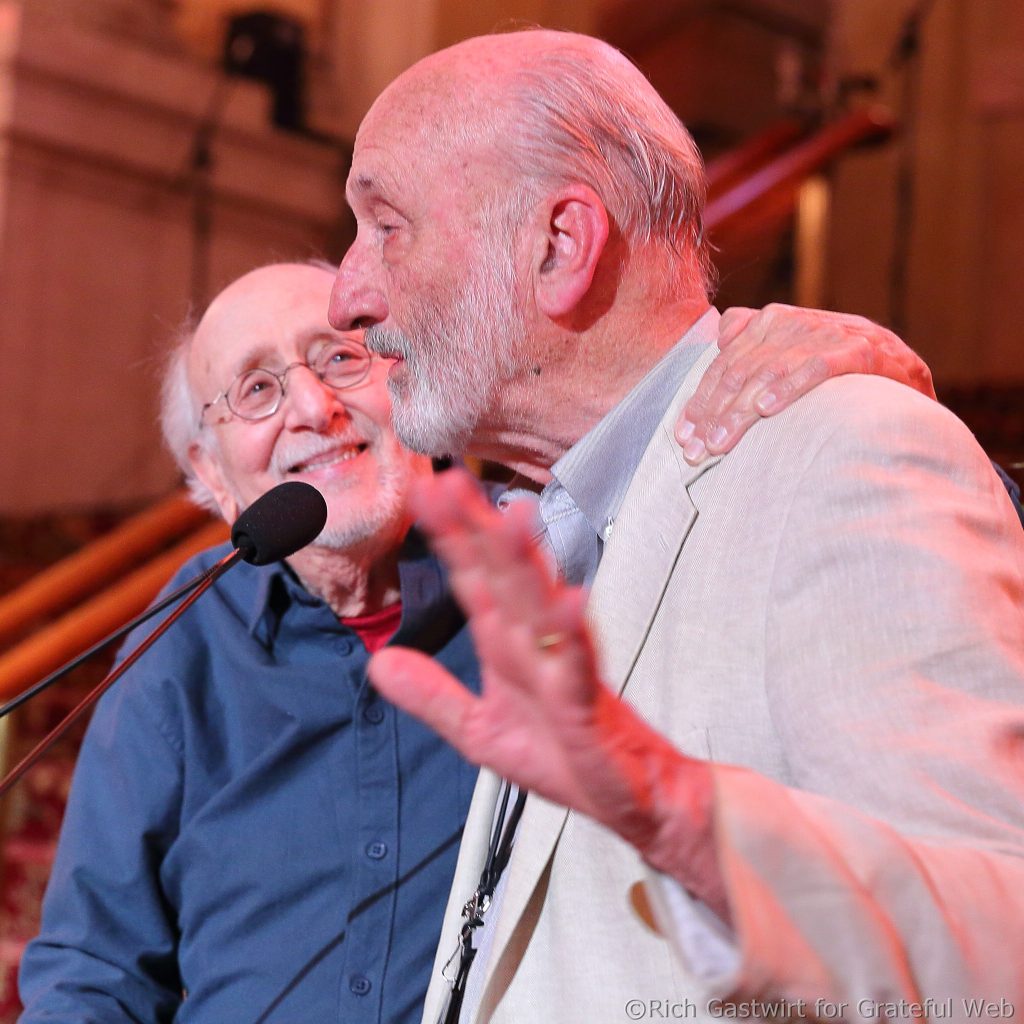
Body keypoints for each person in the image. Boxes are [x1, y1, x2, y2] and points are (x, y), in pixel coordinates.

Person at [327, 29, 1024, 1024]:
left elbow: (997, 957)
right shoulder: (548, 516)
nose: (347, 294)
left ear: (559, 246)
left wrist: (684, 819)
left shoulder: (846, 453)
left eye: (385, 227)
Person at [17, 263, 483, 1024]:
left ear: (412, 379)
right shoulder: (184, 640)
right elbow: (93, 969)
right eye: (257, 389)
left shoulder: (547, 566)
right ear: (212, 471)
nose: (314, 406)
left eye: (341, 357)